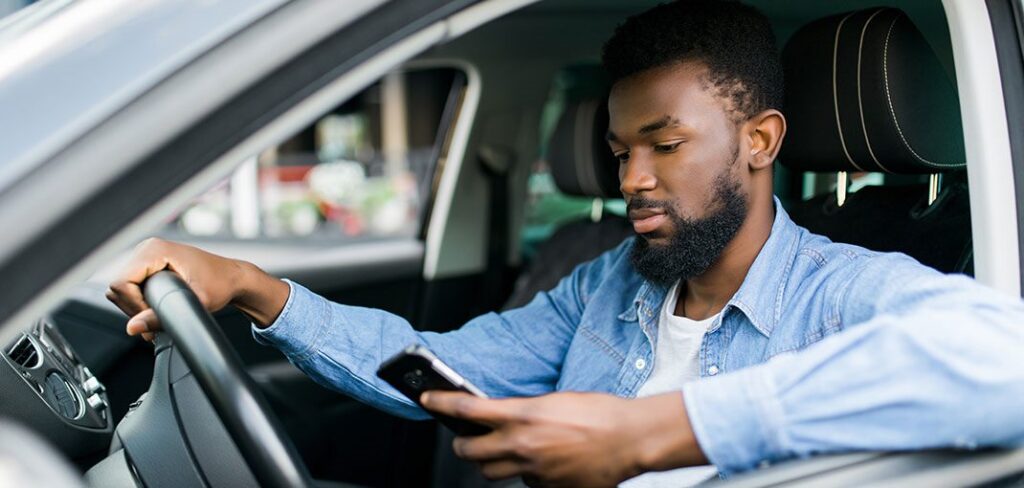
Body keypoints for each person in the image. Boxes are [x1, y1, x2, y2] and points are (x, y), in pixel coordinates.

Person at [107, 1, 1024, 486]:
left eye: (666, 145)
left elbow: (1004, 358)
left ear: (762, 140)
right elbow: (436, 367)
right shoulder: (609, 283)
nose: (631, 179)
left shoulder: (843, 291)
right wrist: (254, 286)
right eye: (623, 151)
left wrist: (650, 435)